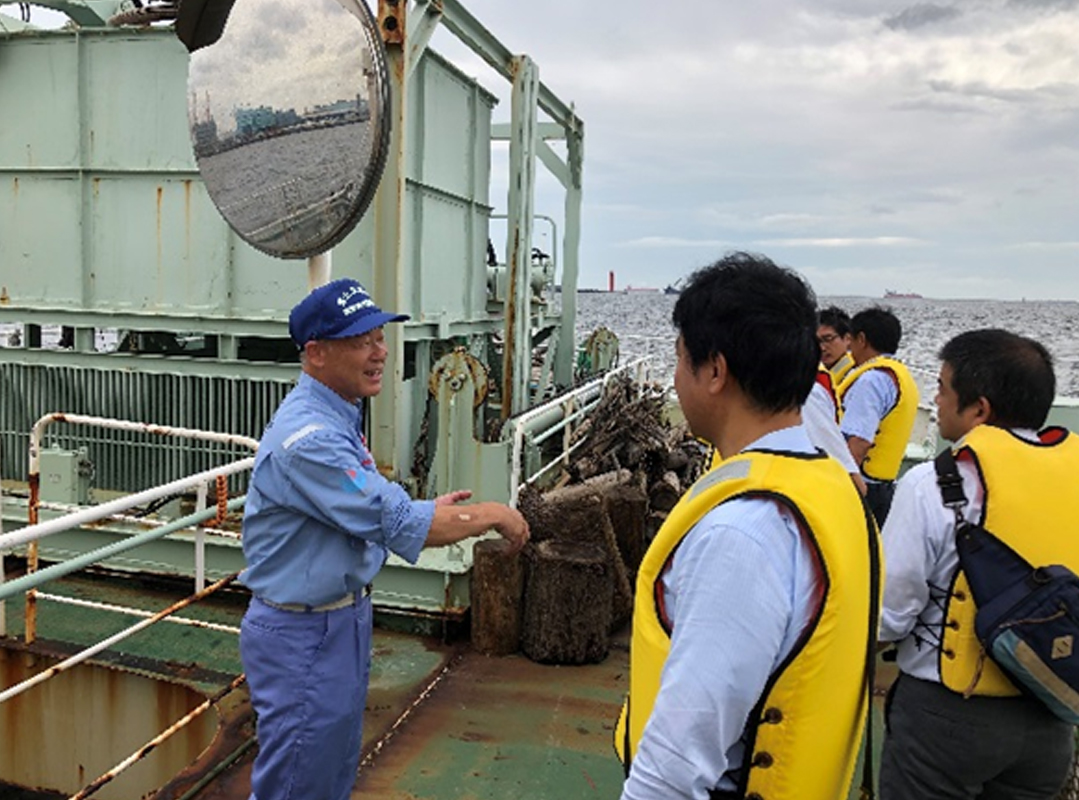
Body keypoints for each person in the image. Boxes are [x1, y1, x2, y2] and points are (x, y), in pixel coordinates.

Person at [239, 278, 530, 800]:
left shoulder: (337, 416)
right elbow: (396, 523)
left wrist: (422, 512)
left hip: (338, 622)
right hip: (302, 636)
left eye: (379, 335)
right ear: (316, 354)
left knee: (328, 777)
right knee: (298, 784)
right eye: (361, 340)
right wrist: (491, 514)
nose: (380, 352)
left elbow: (368, 505)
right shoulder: (311, 440)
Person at [615, 252, 877, 800]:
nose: (675, 377)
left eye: (681, 360)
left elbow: (679, 758)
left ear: (715, 372)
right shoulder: (831, 491)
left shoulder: (742, 533)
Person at [879, 328, 1076, 800]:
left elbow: (892, 610)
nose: (937, 399)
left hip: (945, 715)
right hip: (1052, 703)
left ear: (980, 410)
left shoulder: (934, 482)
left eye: (944, 389)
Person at [837, 306, 919, 526]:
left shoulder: (870, 381)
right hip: (884, 485)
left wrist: (841, 487)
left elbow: (859, 440)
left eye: (851, 342)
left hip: (863, 487)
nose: (849, 350)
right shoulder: (900, 375)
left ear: (861, 339)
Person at [818, 305, 854, 384]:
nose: (822, 348)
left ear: (847, 339)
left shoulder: (856, 378)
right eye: (816, 341)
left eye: (828, 339)